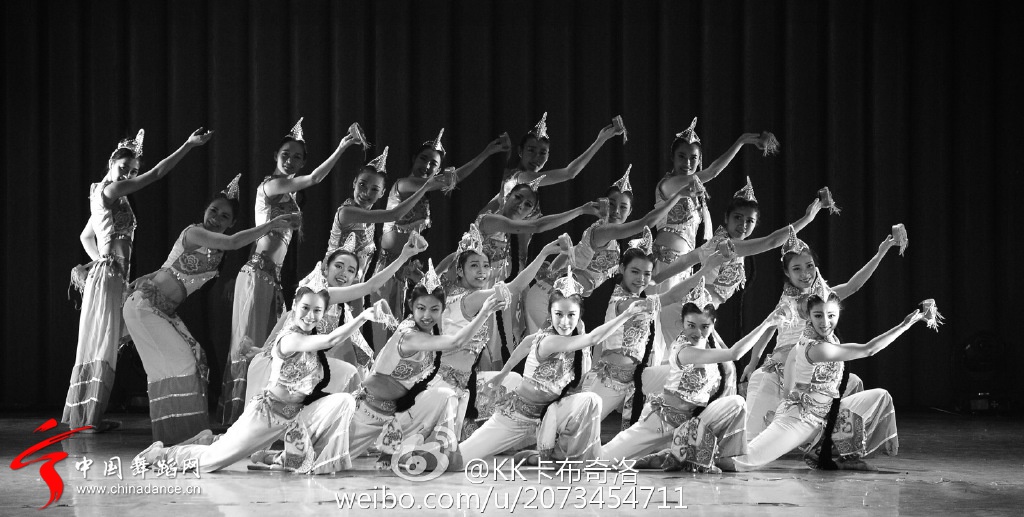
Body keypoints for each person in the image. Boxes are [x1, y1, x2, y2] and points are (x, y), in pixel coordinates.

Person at [134, 279, 378, 474]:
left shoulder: (309, 343)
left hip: (295, 417)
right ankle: (160, 454)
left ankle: (315, 460)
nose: (310, 315)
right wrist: (363, 317)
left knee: (344, 401)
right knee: (210, 462)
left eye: (317, 311)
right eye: (305, 308)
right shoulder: (291, 338)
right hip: (267, 416)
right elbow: (331, 339)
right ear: (295, 307)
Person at [123, 175, 298, 444]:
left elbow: (169, 265)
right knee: (181, 364)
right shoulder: (194, 232)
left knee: (193, 361)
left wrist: (146, 276)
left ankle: (180, 434)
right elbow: (233, 242)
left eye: (224, 216)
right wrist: (271, 224)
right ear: (205, 210)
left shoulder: (216, 249)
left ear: (232, 223)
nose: (216, 218)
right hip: (146, 307)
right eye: (213, 211)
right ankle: (179, 435)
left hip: (161, 311)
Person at [65, 127, 213, 433]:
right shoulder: (109, 191)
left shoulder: (106, 195)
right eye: (124, 168)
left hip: (111, 275)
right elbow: (157, 173)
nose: (128, 175)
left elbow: (86, 236)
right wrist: (188, 145)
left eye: (132, 171)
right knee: (106, 343)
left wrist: (102, 261)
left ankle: (88, 417)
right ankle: (88, 419)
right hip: (109, 276)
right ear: (111, 163)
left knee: (108, 341)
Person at [220, 119, 367, 425]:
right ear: (276, 155)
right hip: (257, 274)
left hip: (269, 277)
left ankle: (265, 412)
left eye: (297, 157)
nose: (290, 160)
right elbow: (314, 179)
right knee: (250, 344)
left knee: (269, 347)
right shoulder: (271, 185)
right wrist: (343, 146)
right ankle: (240, 417)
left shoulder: (289, 194)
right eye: (286, 154)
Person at [454, 266, 654, 466]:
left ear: (579, 315)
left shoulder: (574, 334)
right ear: (550, 313)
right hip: (518, 416)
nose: (565, 322)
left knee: (590, 400)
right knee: (457, 461)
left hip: (550, 414)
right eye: (558, 314)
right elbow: (594, 338)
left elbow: (526, 343)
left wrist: (503, 373)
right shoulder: (550, 340)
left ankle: (561, 458)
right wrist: (626, 314)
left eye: (571, 315)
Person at [719, 292, 923, 471]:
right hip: (802, 420)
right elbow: (868, 349)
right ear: (809, 316)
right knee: (743, 462)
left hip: (826, 415)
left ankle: (839, 456)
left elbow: (791, 360)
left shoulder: (822, 338)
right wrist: (905, 326)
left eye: (831, 315)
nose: (825, 322)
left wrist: (787, 393)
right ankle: (702, 457)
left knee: (879, 396)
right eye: (818, 315)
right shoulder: (818, 347)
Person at [603, 280, 779, 472]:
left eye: (704, 326)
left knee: (736, 403)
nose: (697, 332)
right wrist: (767, 323)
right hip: (663, 422)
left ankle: (715, 458)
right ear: (682, 323)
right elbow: (734, 354)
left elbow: (729, 358)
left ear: (713, 325)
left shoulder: (708, 343)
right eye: (691, 325)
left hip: (690, 424)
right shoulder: (684, 350)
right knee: (601, 461)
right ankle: (665, 454)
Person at [743, 228, 899, 440]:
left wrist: (881, 253)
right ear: (787, 273)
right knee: (756, 434)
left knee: (851, 383)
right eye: (797, 269)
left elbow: (853, 286)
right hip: (787, 369)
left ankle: (831, 441)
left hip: (816, 368)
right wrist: (752, 363)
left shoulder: (820, 298)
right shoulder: (789, 304)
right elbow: (767, 329)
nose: (805, 273)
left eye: (809, 266)